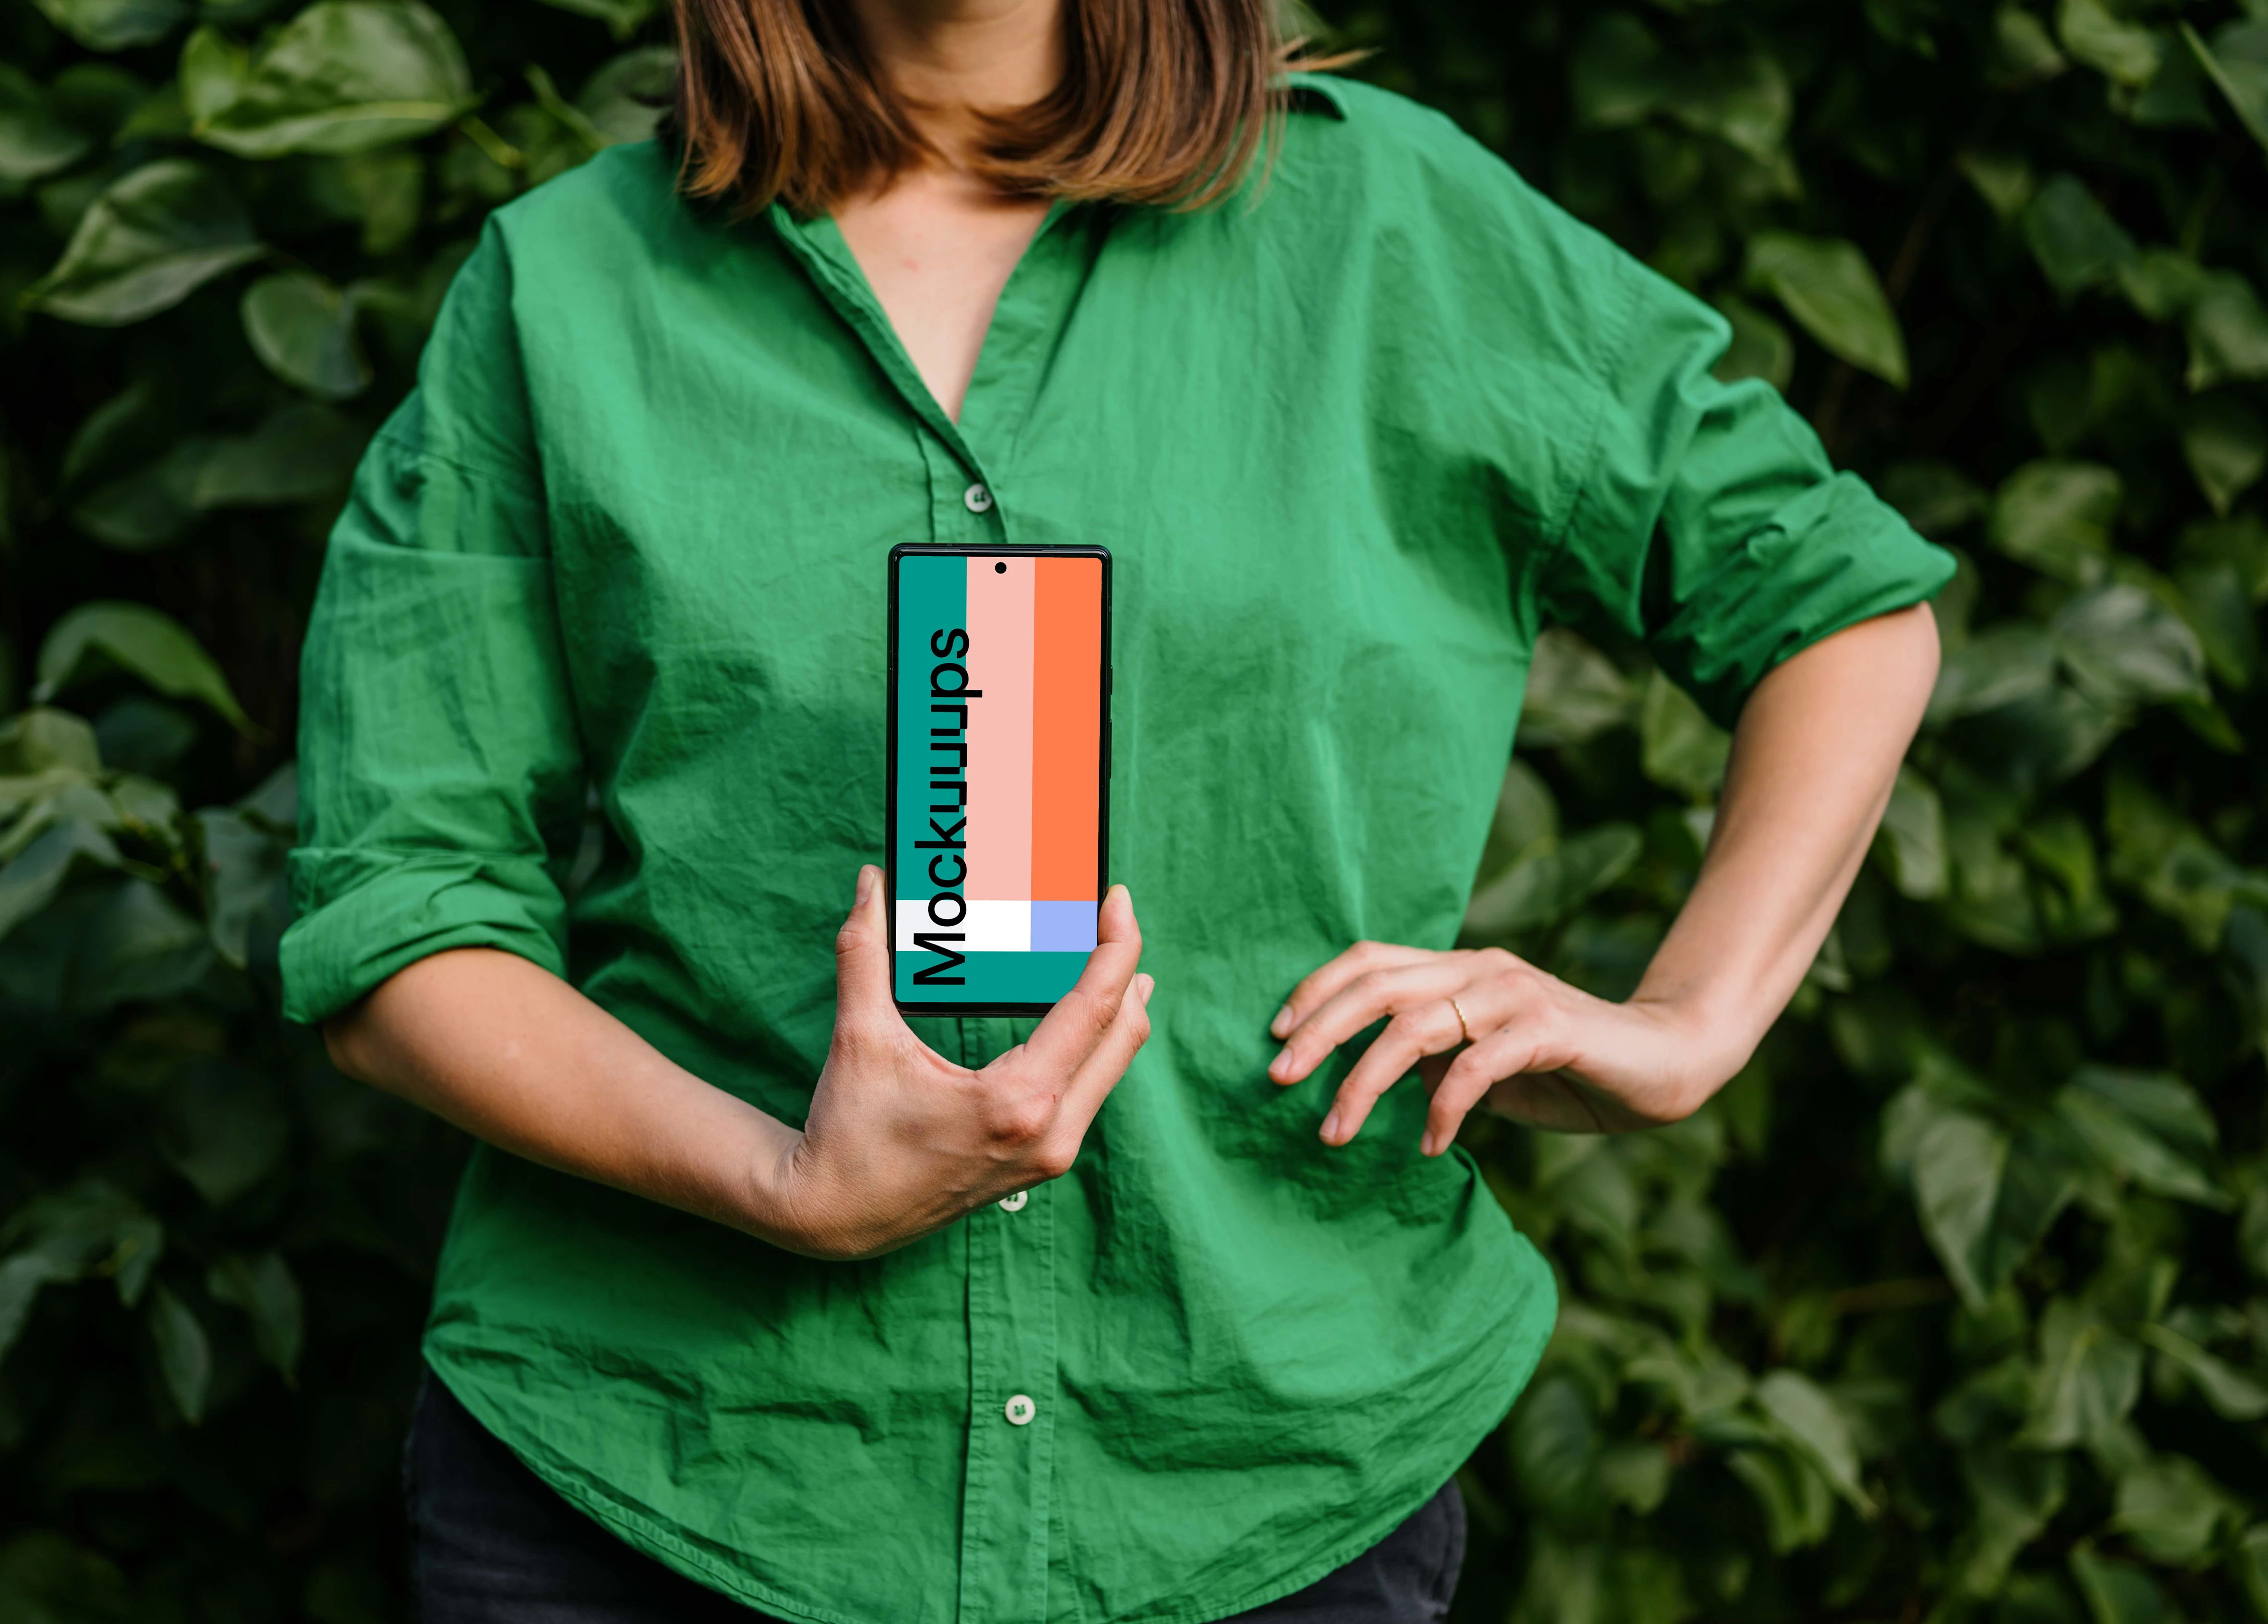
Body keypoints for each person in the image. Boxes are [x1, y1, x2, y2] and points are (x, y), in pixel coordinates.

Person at [279, 0, 1952, 1611]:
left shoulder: (1401, 226)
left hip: (1262, 1487)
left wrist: (1688, 1022)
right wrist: (780, 1179)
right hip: (658, 1483)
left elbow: (1838, 609)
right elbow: (403, 919)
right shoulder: (562, 286)